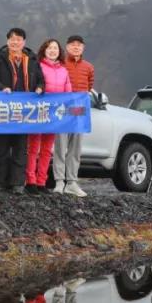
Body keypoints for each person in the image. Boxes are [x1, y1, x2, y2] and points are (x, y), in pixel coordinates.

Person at [0, 28, 44, 194]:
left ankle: (17, 183)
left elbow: (41, 79)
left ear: (24, 42)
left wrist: (40, 88)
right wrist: (1, 88)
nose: (15, 42)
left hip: (24, 111)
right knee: (3, 146)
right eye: (12, 39)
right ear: (8, 41)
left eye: (18, 39)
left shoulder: (33, 60)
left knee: (21, 147)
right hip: (4, 108)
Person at [27, 39, 72, 194]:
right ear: (44, 50)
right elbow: (33, 86)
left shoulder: (64, 71)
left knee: (47, 149)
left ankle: (41, 182)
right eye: (49, 48)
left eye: (55, 48)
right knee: (33, 148)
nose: (53, 51)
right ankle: (30, 180)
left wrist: (68, 109)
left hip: (54, 115)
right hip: (39, 112)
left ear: (59, 51)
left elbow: (68, 93)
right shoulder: (37, 66)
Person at [56, 35, 95, 196]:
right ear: (66, 47)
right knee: (60, 146)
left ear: (83, 48)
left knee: (75, 147)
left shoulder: (89, 67)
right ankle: (59, 181)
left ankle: (72, 182)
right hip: (63, 108)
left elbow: (90, 85)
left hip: (79, 109)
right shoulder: (60, 64)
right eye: (72, 44)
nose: (76, 47)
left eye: (79, 45)